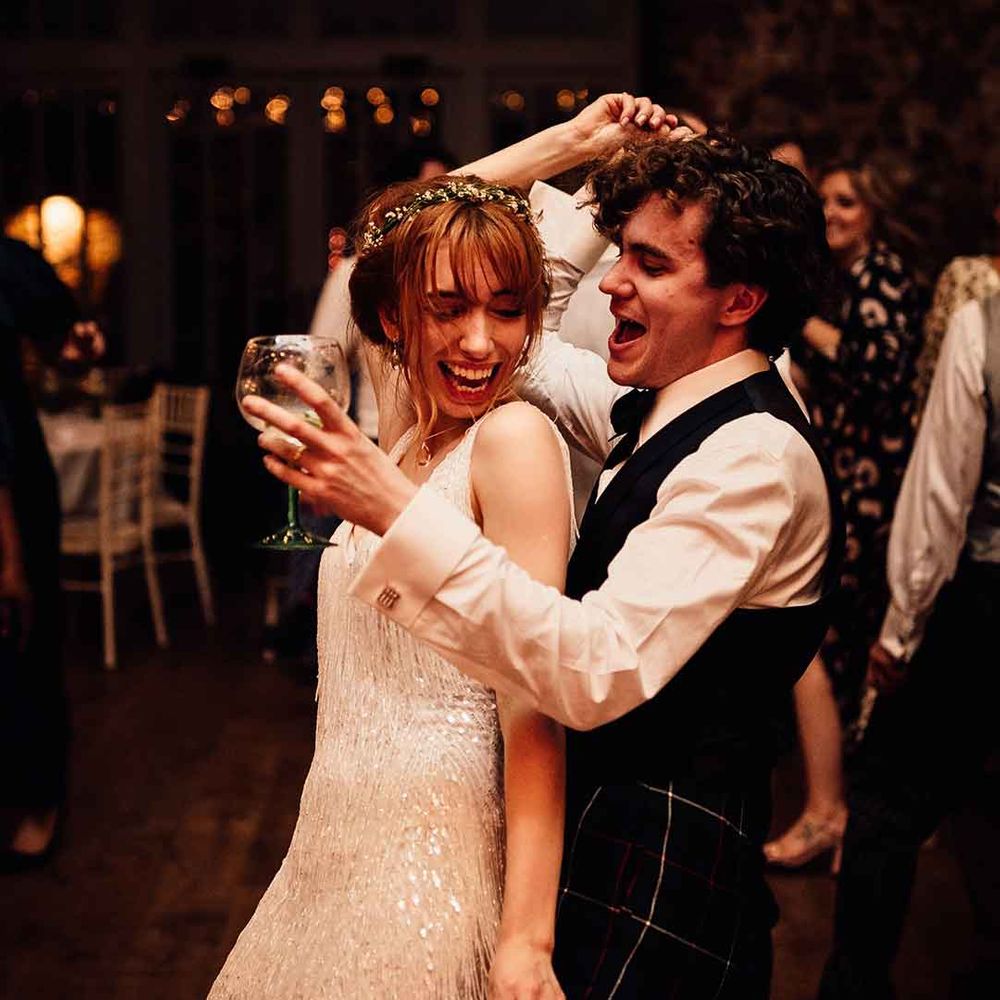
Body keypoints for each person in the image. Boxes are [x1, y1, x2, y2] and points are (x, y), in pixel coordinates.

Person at [246, 126, 842, 998]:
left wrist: (392, 509)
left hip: (669, 883)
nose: (611, 279)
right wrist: (581, 142)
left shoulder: (753, 454)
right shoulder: (645, 408)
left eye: (646, 262)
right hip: (572, 860)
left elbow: (593, 667)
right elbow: (405, 254)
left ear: (739, 298)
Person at [209, 171, 582, 998]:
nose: (481, 341)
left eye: (508, 308)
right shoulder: (409, 435)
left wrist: (526, 937)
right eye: (448, 308)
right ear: (392, 317)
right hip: (327, 847)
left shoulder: (513, 440)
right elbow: (371, 252)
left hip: (431, 864)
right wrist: (563, 146)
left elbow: (536, 696)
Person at [819, 292, 1000, 999]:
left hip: (984, 598)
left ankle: (853, 986)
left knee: (888, 802)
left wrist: (900, 631)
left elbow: (942, 492)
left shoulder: (982, 325)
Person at [767, 158, 925, 869]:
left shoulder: (882, 276)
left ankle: (847, 817)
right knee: (832, 646)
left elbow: (880, 373)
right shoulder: (844, 278)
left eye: (845, 203)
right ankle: (847, 818)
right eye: (823, 201)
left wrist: (802, 323)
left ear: (875, 212)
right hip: (843, 476)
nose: (830, 213)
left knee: (844, 646)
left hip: (869, 485)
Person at [0, 236, 104, 870]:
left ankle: (40, 800)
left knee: (24, 642)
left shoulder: (11, 263)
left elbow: (68, 346)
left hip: (12, 478)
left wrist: (77, 348)